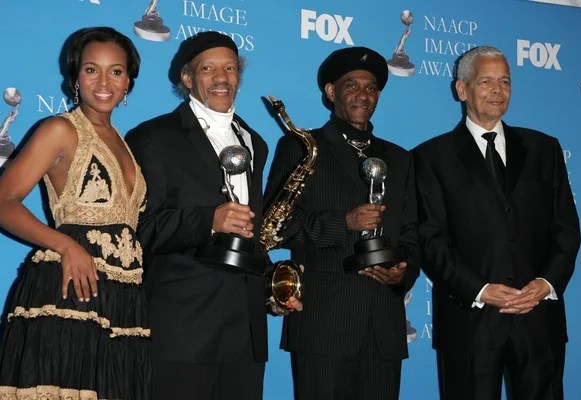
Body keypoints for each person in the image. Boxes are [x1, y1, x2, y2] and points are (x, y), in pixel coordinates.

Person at [126, 31, 301, 400]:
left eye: (231, 68)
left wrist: (271, 287)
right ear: (188, 78)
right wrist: (210, 220)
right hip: (183, 330)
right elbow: (142, 229)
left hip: (245, 336)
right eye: (208, 68)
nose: (221, 78)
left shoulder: (256, 141)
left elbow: (247, 234)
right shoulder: (153, 137)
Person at [413, 45, 581, 400]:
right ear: (462, 90)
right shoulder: (430, 158)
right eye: (486, 80)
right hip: (469, 323)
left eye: (505, 81)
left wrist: (546, 283)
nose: (498, 90)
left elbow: (566, 230)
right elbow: (430, 239)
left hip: (539, 319)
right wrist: (479, 289)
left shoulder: (544, 149)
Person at [0, 27, 150, 399]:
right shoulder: (60, 130)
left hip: (122, 298)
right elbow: (3, 202)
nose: (104, 82)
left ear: (128, 80)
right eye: (91, 70)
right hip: (70, 291)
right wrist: (66, 246)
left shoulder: (123, 142)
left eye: (116, 71)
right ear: (74, 78)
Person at [264, 46, 420, 400]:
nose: (363, 95)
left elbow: (412, 232)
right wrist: (343, 222)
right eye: (352, 86)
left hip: (384, 325)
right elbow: (275, 228)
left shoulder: (399, 158)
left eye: (371, 88)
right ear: (331, 92)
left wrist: (402, 273)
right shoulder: (302, 147)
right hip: (324, 321)